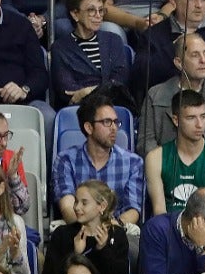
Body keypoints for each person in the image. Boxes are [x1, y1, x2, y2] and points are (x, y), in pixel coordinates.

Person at [137, 27, 205, 154]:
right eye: (195, 55)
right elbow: (146, 144)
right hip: (165, 170)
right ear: (179, 63)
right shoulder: (155, 95)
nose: (203, 60)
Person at [53, 94, 144, 224]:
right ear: (89, 128)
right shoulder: (66, 160)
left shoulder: (133, 162)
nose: (114, 128)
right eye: (107, 122)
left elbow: (133, 209)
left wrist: (111, 228)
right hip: (78, 229)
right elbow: (67, 207)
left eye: (115, 122)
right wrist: (90, 229)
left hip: (116, 231)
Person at [145, 87, 205, 215]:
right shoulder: (155, 158)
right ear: (176, 120)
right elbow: (159, 212)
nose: (199, 124)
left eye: (203, 117)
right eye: (191, 118)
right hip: (169, 228)